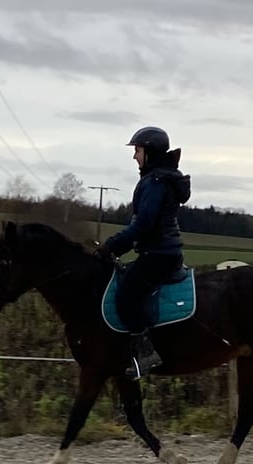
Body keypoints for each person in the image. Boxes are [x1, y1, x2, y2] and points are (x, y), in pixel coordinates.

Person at [95, 126, 191, 379]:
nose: (134, 156)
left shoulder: (155, 181)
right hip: (162, 251)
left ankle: (147, 353)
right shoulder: (158, 178)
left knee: (126, 293)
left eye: (137, 150)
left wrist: (111, 246)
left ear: (150, 151)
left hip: (159, 254)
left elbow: (143, 225)